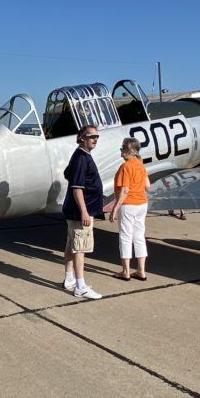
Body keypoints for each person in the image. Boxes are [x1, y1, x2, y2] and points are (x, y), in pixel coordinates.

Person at [62, 126, 104, 300]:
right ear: (81, 138)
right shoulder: (82, 158)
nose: (95, 139)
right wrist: (85, 212)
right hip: (80, 213)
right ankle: (80, 286)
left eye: (97, 136)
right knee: (80, 248)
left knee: (72, 244)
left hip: (74, 211)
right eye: (91, 136)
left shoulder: (79, 155)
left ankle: (69, 278)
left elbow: (67, 174)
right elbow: (77, 188)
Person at [108, 137, 151, 281]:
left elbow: (125, 190)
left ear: (129, 151)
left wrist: (115, 208)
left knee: (125, 237)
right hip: (142, 204)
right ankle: (141, 271)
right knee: (139, 236)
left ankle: (126, 271)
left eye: (122, 149)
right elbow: (148, 185)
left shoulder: (126, 167)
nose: (121, 152)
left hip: (128, 205)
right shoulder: (140, 164)